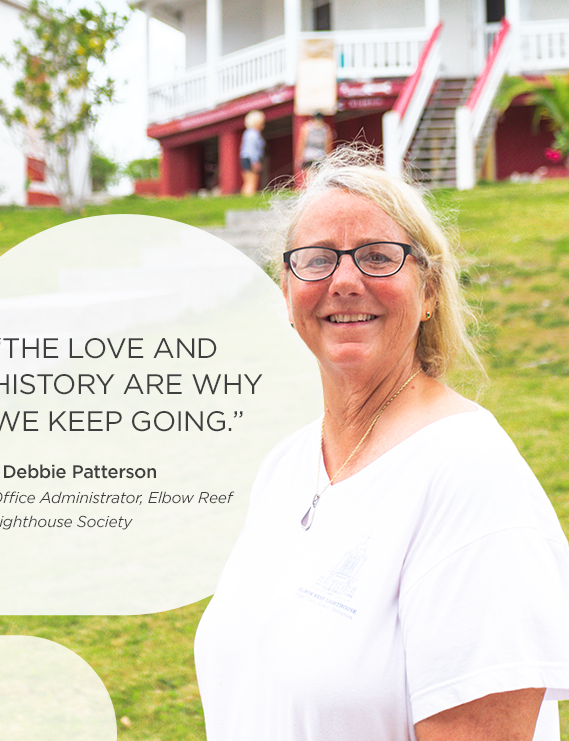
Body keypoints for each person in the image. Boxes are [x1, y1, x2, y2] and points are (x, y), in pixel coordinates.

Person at [194, 147, 569, 741]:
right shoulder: (287, 466)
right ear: (288, 293)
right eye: (316, 260)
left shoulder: (470, 477)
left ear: (429, 293)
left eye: (377, 257)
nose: (344, 281)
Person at [240, 110, 266, 196]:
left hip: (246, 158)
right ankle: (248, 200)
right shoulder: (254, 133)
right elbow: (252, 149)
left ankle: (243, 200)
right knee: (252, 182)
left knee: (248, 182)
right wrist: (255, 161)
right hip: (250, 158)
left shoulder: (248, 133)